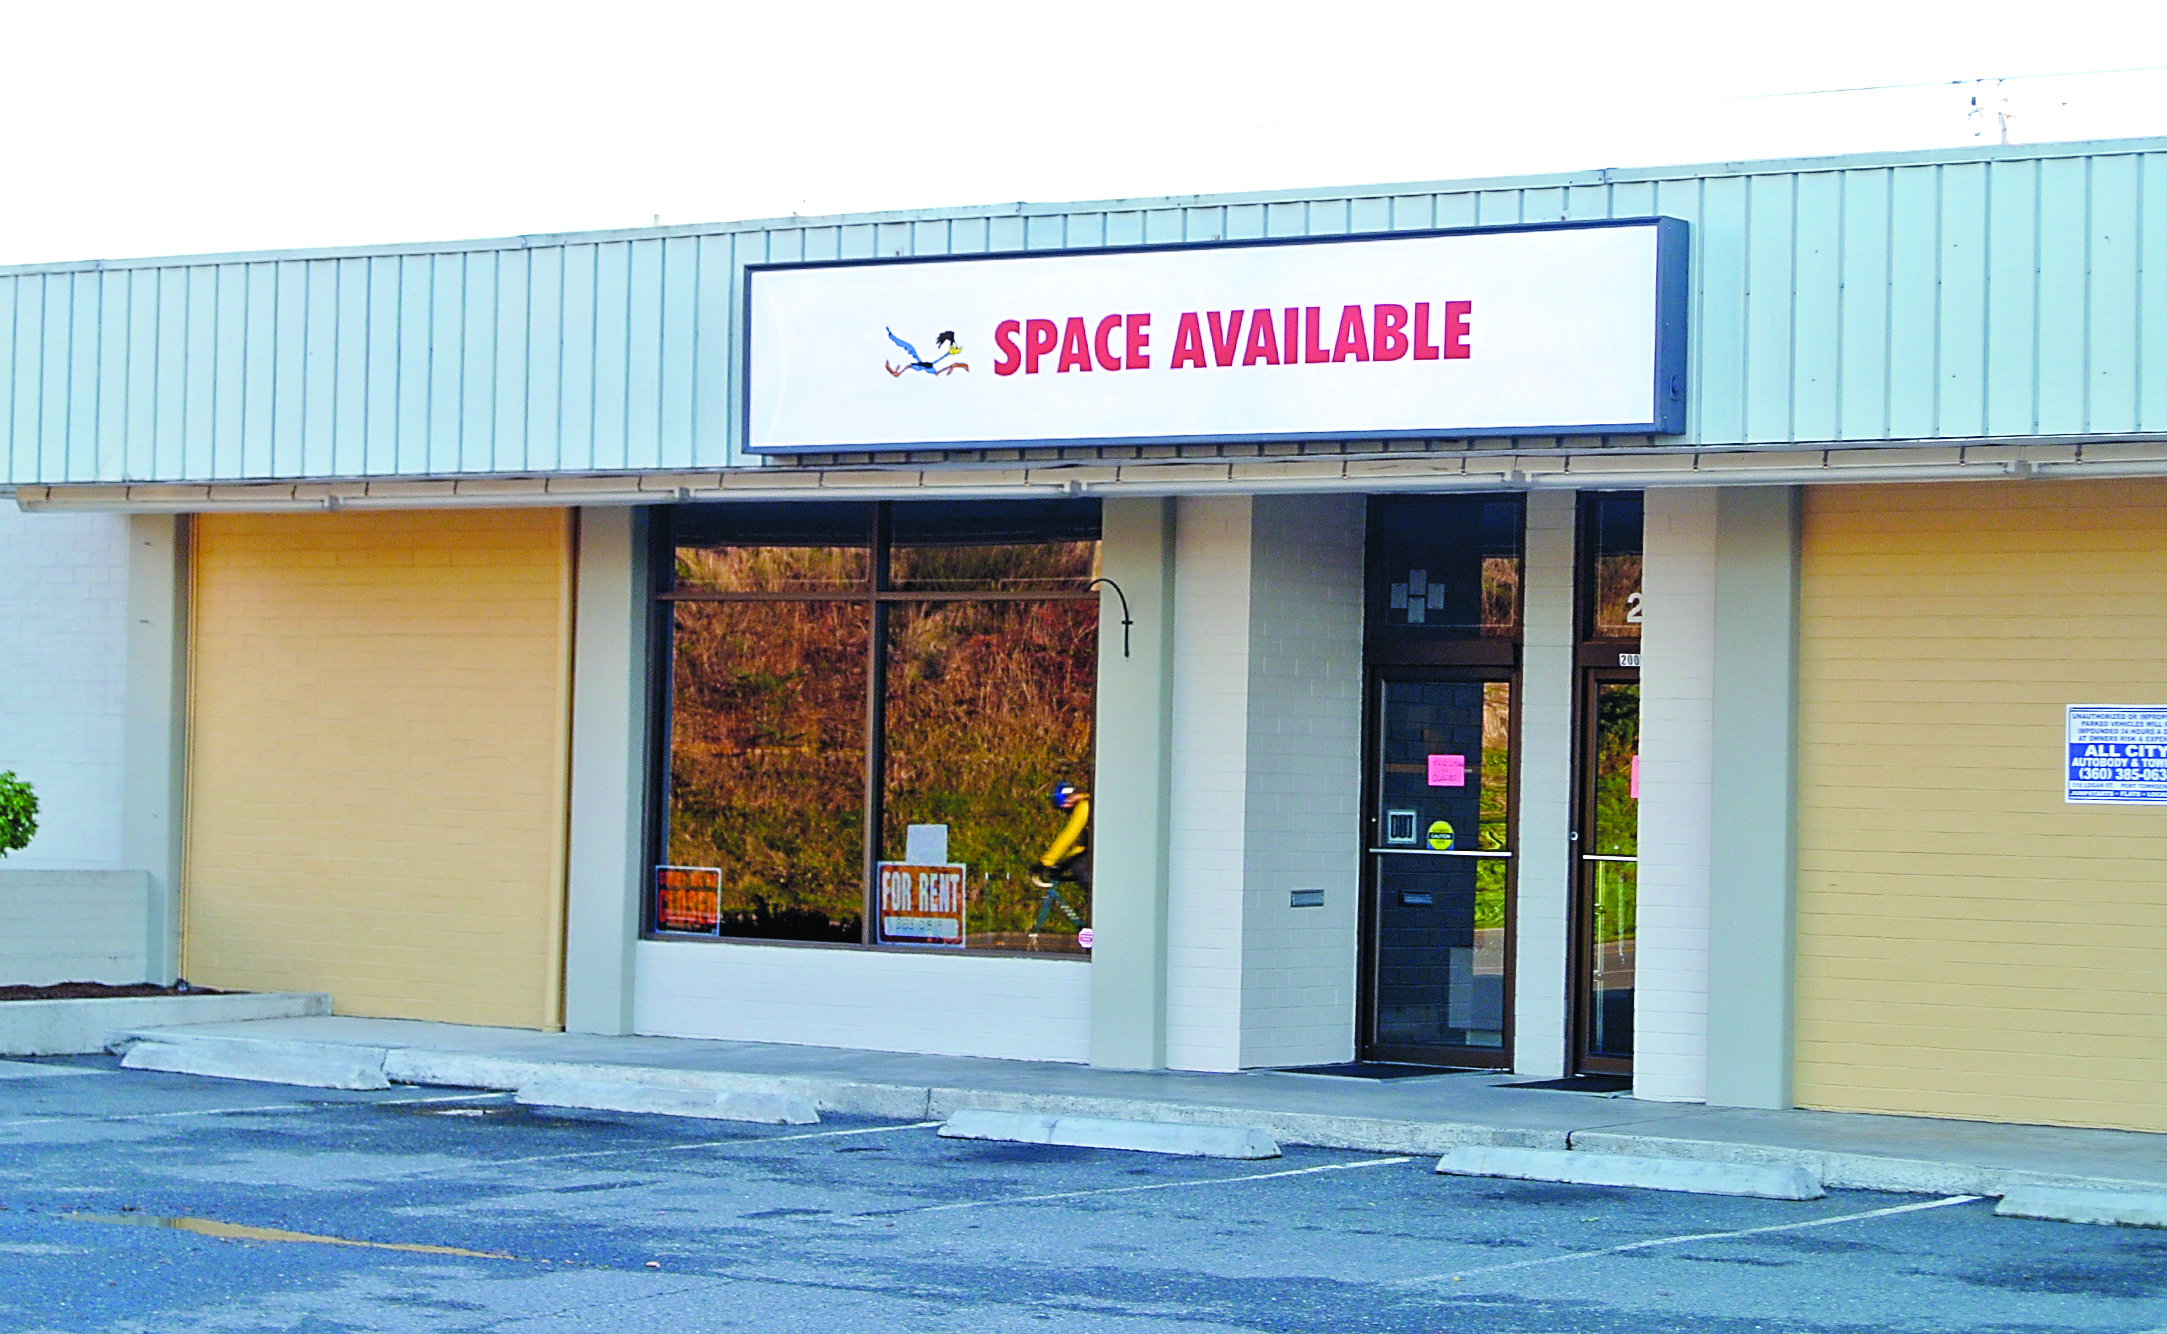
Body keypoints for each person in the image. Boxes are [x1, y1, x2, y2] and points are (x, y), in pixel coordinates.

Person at [1029, 781, 1090, 933]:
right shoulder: (1089, 803)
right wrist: (1063, 863)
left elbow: (1070, 834)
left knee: (1084, 876)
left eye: (1064, 803)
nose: (1064, 808)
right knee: (1077, 864)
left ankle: (1097, 919)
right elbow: (1081, 846)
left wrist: (1046, 861)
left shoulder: (1085, 805)